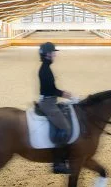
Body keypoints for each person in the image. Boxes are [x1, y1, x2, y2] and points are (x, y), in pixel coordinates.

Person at [37, 42, 74, 174]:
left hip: (49, 100)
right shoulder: (45, 70)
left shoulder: (46, 67)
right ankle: (58, 163)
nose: (55, 55)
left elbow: (50, 89)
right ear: (47, 54)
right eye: (53, 52)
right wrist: (64, 94)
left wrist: (62, 93)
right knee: (66, 127)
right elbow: (49, 89)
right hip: (48, 103)